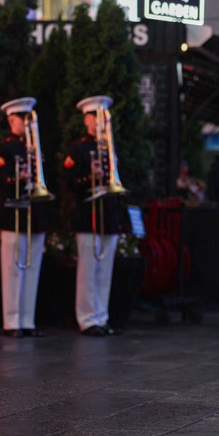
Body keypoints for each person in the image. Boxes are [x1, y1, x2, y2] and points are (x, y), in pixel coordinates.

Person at [65, 95, 124, 337]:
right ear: (87, 119)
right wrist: (91, 175)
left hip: (107, 213)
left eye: (104, 118)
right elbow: (71, 183)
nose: (101, 122)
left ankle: (102, 315)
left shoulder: (109, 147)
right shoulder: (79, 148)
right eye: (97, 117)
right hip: (88, 212)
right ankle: (88, 318)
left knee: (105, 269)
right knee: (89, 269)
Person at [0, 97, 48, 338]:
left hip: (34, 214)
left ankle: (27, 320)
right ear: (10, 120)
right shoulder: (3, 147)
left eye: (27, 119)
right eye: (19, 120)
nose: (24, 124)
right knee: (13, 268)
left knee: (32, 268)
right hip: (12, 212)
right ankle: (12, 321)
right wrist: (17, 179)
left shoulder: (35, 146)